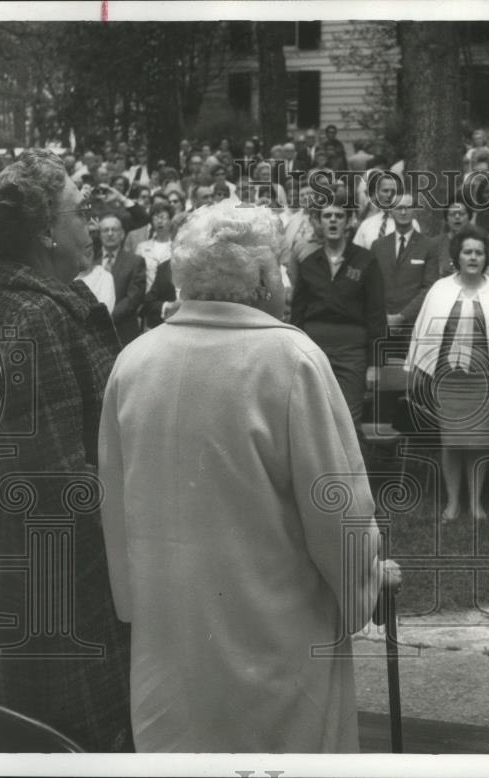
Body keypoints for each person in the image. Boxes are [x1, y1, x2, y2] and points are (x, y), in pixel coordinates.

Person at [97, 200, 399, 751]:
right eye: (280, 265)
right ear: (262, 280)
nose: (285, 277)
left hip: (170, 636)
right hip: (277, 644)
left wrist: (133, 605)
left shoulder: (135, 361)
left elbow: (113, 506)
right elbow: (339, 506)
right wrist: (369, 579)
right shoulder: (291, 359)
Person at [0, 149, 133, 751]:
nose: (93, 223)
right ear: (46, 231)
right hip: (64, 603)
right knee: (71, 747)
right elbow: (57, 492)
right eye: (81, 209)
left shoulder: (15, 301)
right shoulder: (35, 319)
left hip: (40, 594)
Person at [406, 224, 489, 521]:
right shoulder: (440, 289)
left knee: (480, 444)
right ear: (457, 255)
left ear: (486, 257)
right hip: (448, 378)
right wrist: (415, 367)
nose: (473, 257)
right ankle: (453, 503)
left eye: (479, 253)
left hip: (486, 379)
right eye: (467, 251)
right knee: (451, 443)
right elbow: (422, 331)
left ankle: (477, 503)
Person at [290, 197, 387, 427]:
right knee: (313, 418)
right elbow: (297, 315)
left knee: (348, 420)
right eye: (327, 216)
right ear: (318, 222)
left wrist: (375, 363)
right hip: (314, 350)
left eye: (339, 216)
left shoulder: (366, 261)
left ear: (350, 221)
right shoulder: (309, 263)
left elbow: (376, 313)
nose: (333, 221)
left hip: (352, 352)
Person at [369, 192, 437, 346]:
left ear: (415, 211)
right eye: (399, 208)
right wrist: (384, 316)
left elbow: (429, 287)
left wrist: (402, 316)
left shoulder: (429, 246)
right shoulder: (378, 246)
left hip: (414, 325)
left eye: (408, 208)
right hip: (382, 324)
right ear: (391, 211)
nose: (404, 212)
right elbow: (372, 286)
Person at [96, 214, 147, 345]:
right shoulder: (90, 263)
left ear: (122, 234)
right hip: (95, 333)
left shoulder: (135, 262)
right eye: (105, 230)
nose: (110, 233)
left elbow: (133, 299)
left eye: (114, 229)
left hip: (124, 332)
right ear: (100, 235)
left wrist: (107, 318)